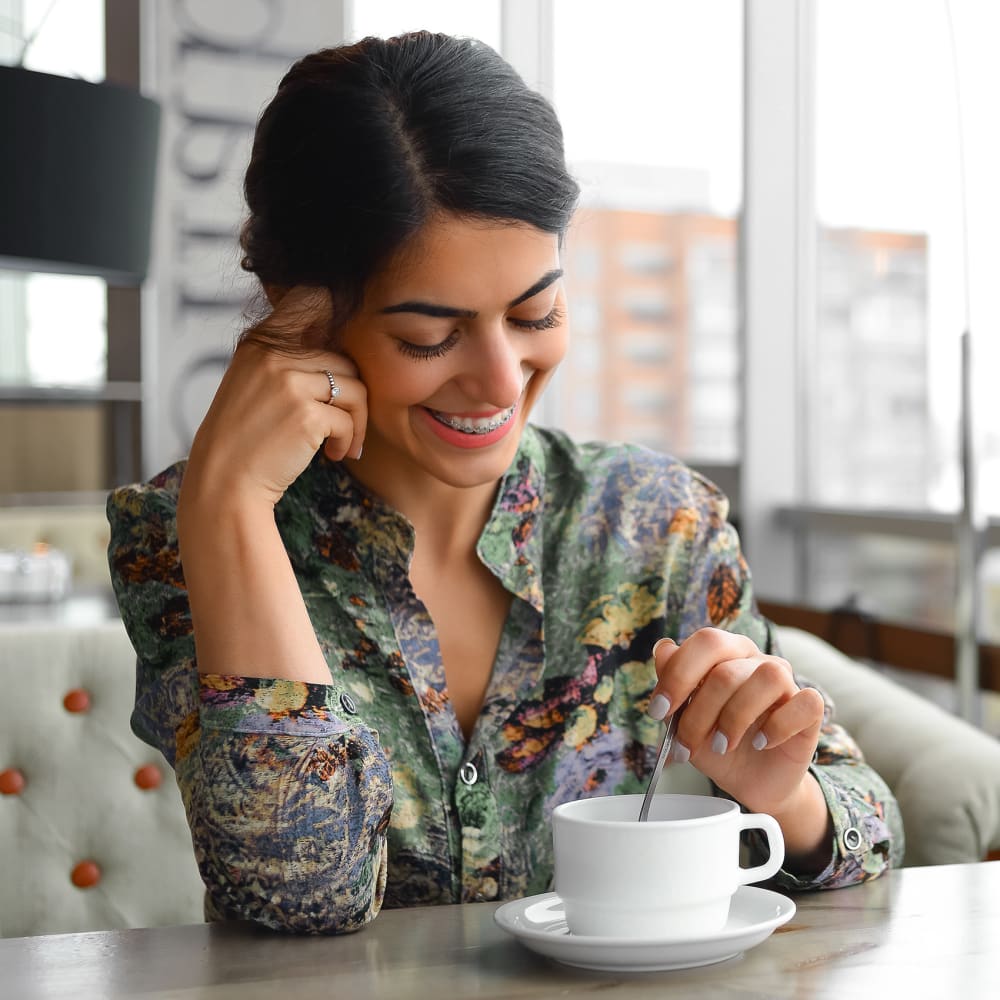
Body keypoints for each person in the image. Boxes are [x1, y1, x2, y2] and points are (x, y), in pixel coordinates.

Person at [107, 31, 903, 935]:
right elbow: (297, 898)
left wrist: (782, 794)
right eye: (428, 336)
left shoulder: (656, 522)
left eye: (537, 313)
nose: (498, 381)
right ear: (305, 320)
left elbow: (870, 826)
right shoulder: (189, 526)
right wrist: (231, 501)